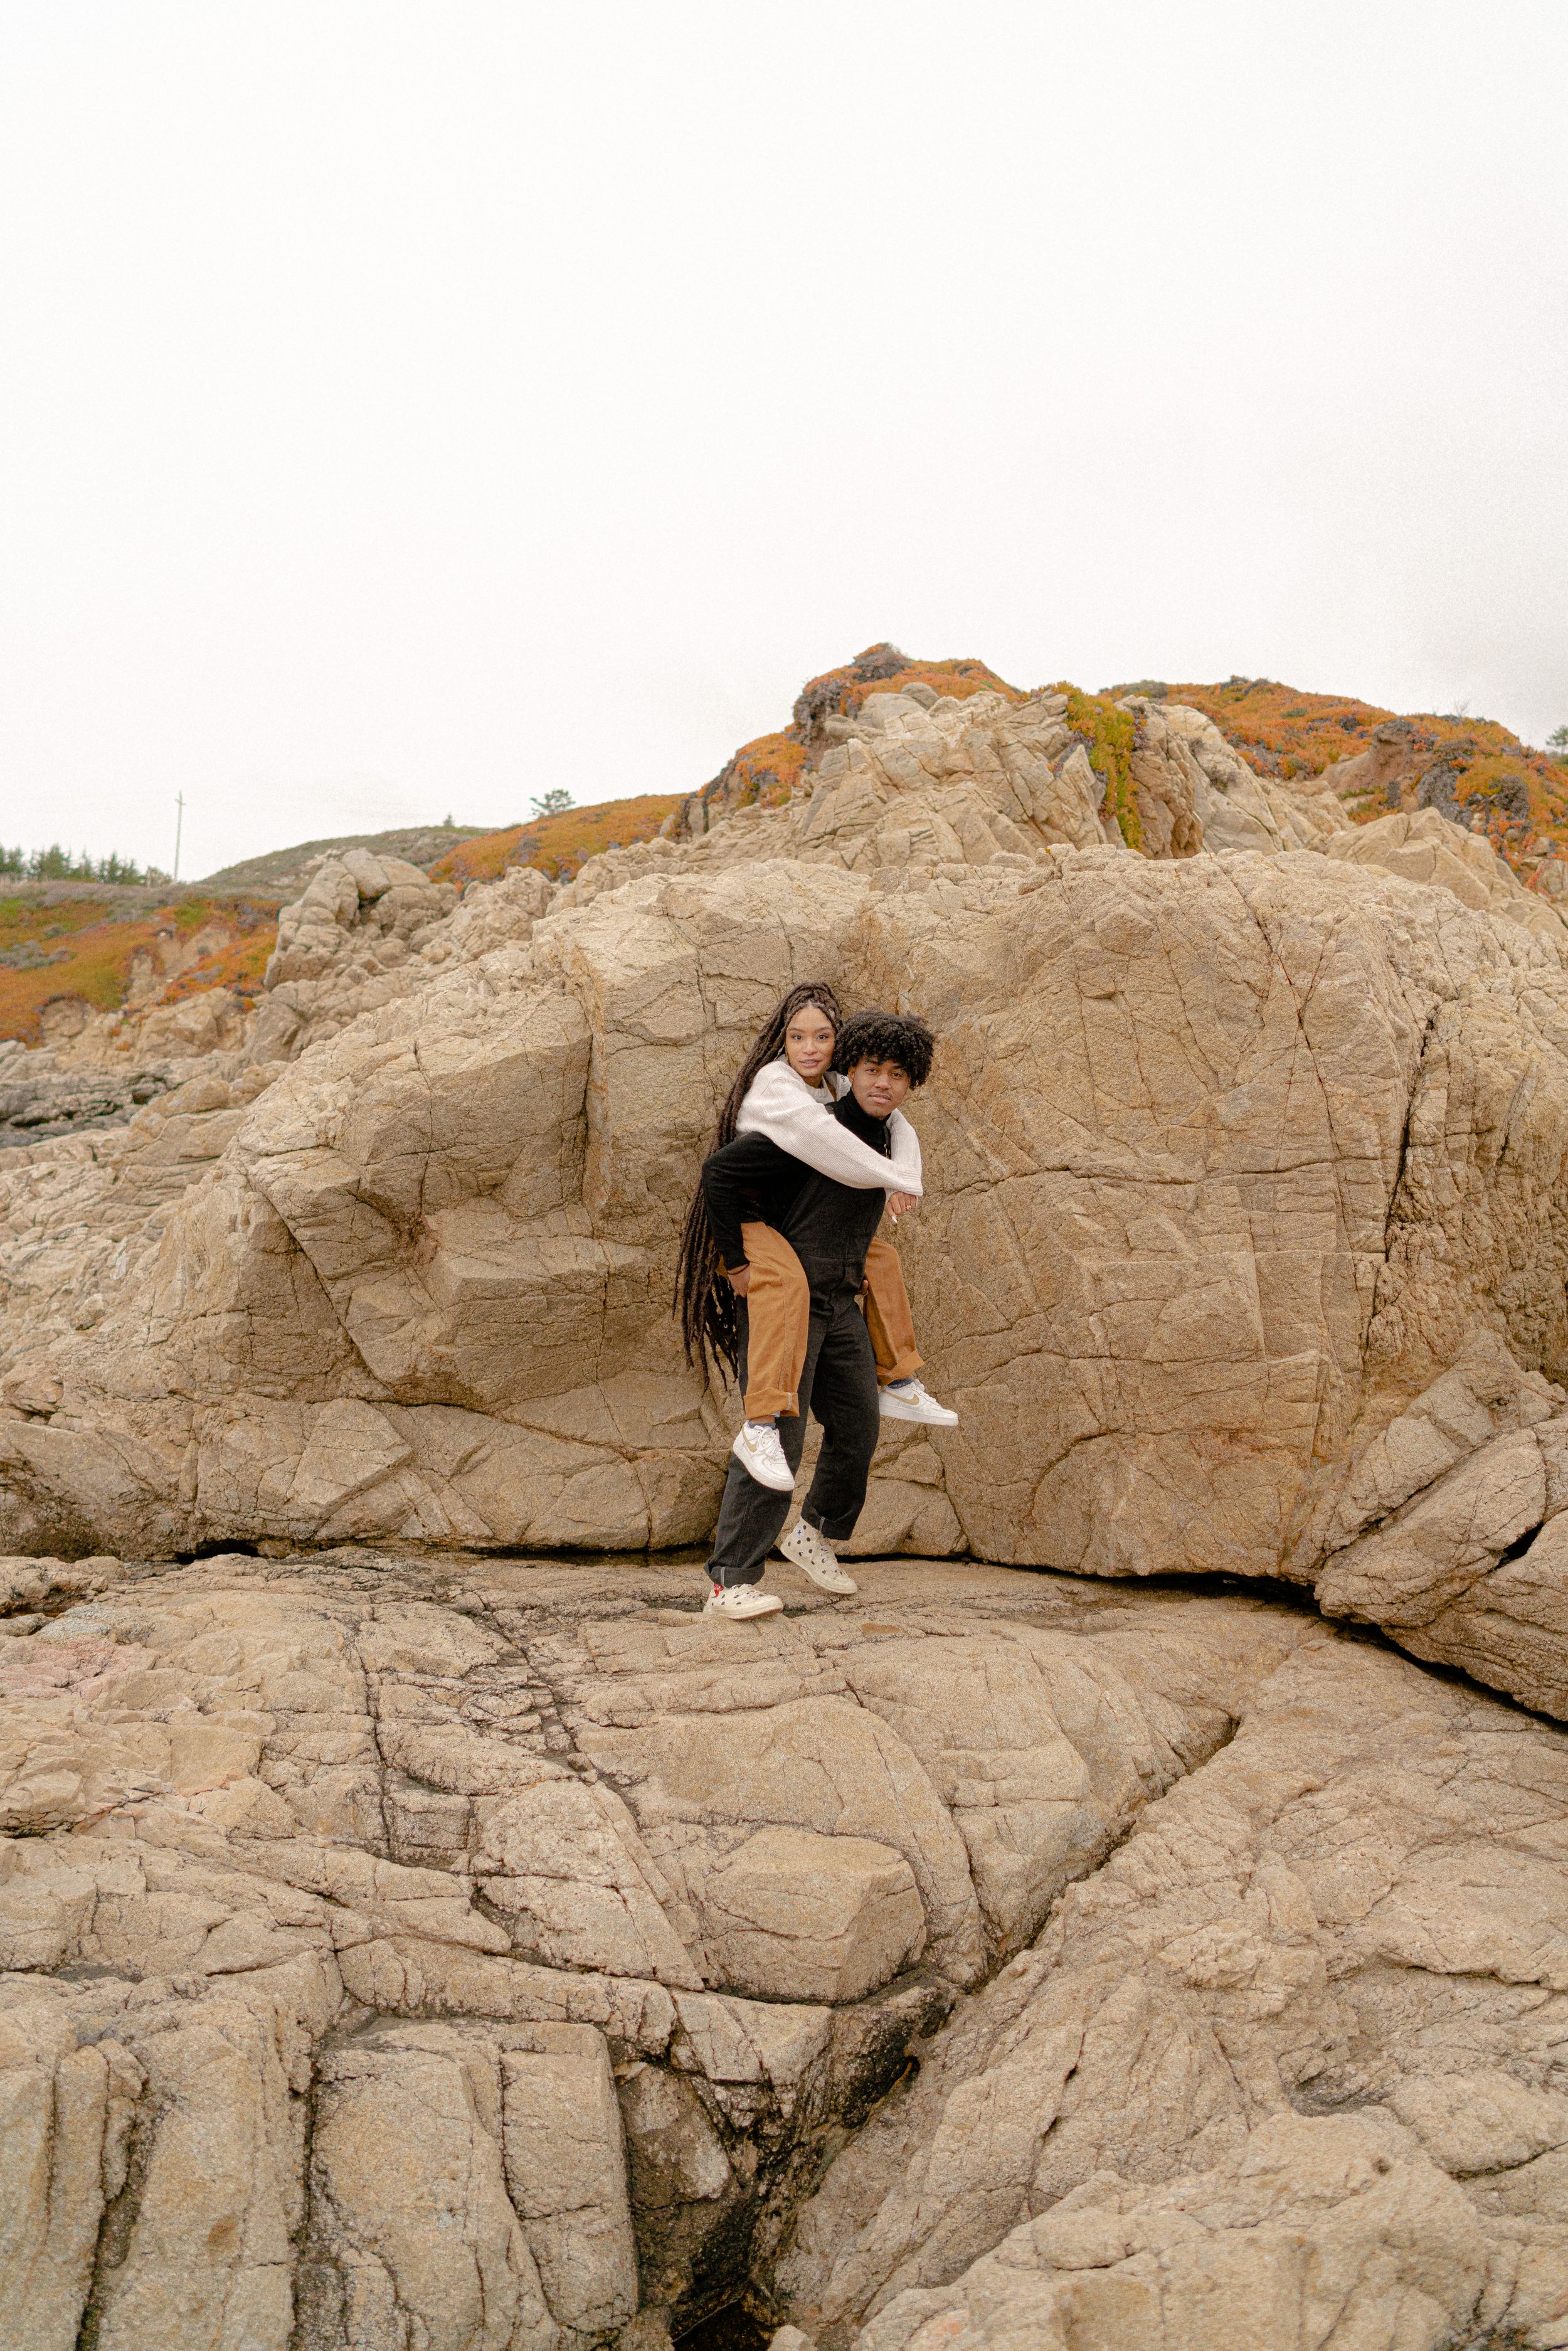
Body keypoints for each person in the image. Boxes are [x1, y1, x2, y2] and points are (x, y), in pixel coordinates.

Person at [681, 1007, 948, 1618]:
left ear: (911, 1083)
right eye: (872, 1070)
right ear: (850, 1069)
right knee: (780, 1435)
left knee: (858, 1427)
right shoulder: (808, 1132)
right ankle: (730, 1582)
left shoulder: (890, 1141)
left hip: (842, 1302)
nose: (883, 1083)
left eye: (898, 1075)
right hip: (788, 1307)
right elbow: (719, 1174)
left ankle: (813, 1532)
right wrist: (736, 1262)